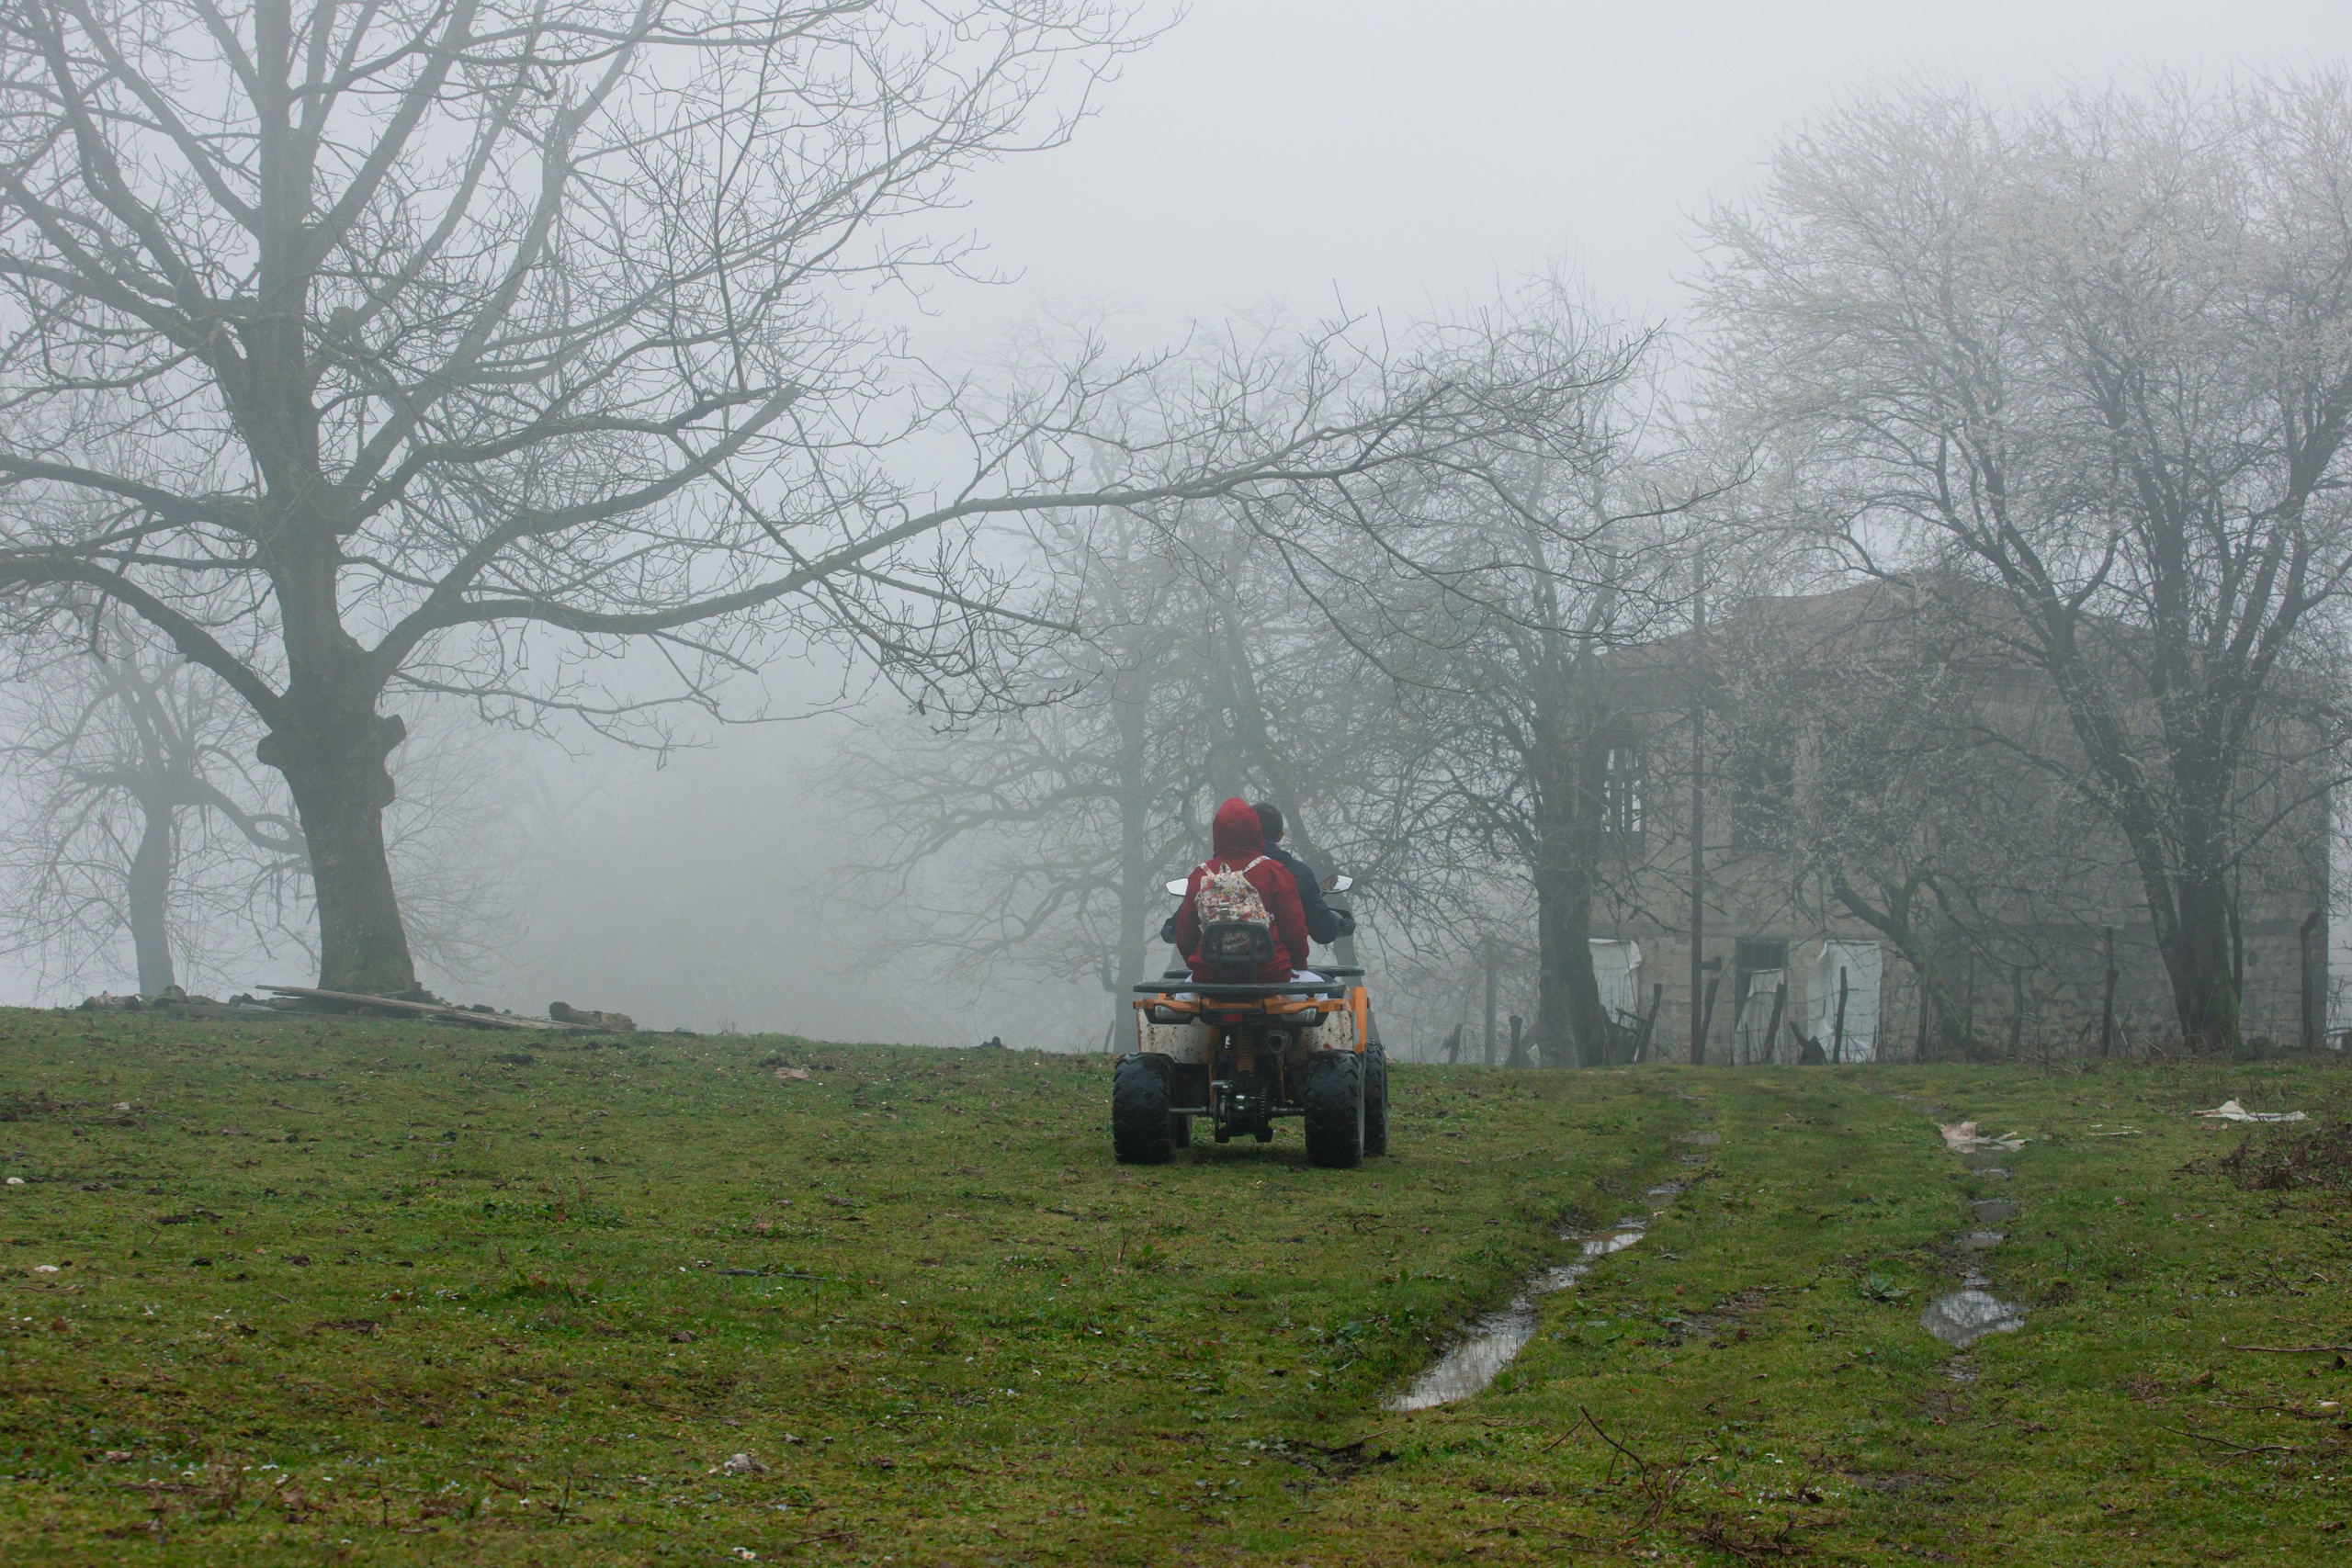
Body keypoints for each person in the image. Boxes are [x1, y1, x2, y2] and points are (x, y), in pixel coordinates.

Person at [1174, 797, 1311, 984]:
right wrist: (1298, 964)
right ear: (1255, 831)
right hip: (1271, 977)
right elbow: (1294, 931)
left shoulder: (1200, 875)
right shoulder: (1275, 872)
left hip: (1209, 980)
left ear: (1218, 833)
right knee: (1325, 996)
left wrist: (1200, 967)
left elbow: (1184, 935)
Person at [1250, 800, 1352, 947]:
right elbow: (1323, 931)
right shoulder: (1297, 874)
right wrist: (1338, 923)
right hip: (1280, 965)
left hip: (1219, 967)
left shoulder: (1216, 873)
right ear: (1280, 835)